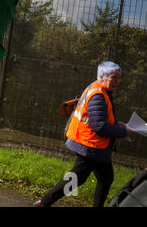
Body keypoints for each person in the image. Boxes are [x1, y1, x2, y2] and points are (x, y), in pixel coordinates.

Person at [34, 61, 133, 207]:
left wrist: (116, 124)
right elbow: (100, 127)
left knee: (103, 178)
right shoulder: (98, 96)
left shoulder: (99, 89)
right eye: (114, 78)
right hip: (90, 145)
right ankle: (44, 202)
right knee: (80, 178)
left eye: (119, 78)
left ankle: (45, 202)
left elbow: (99, 118)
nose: (117, 82)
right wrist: (124, 132)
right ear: (102, 77)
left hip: (92, 144)